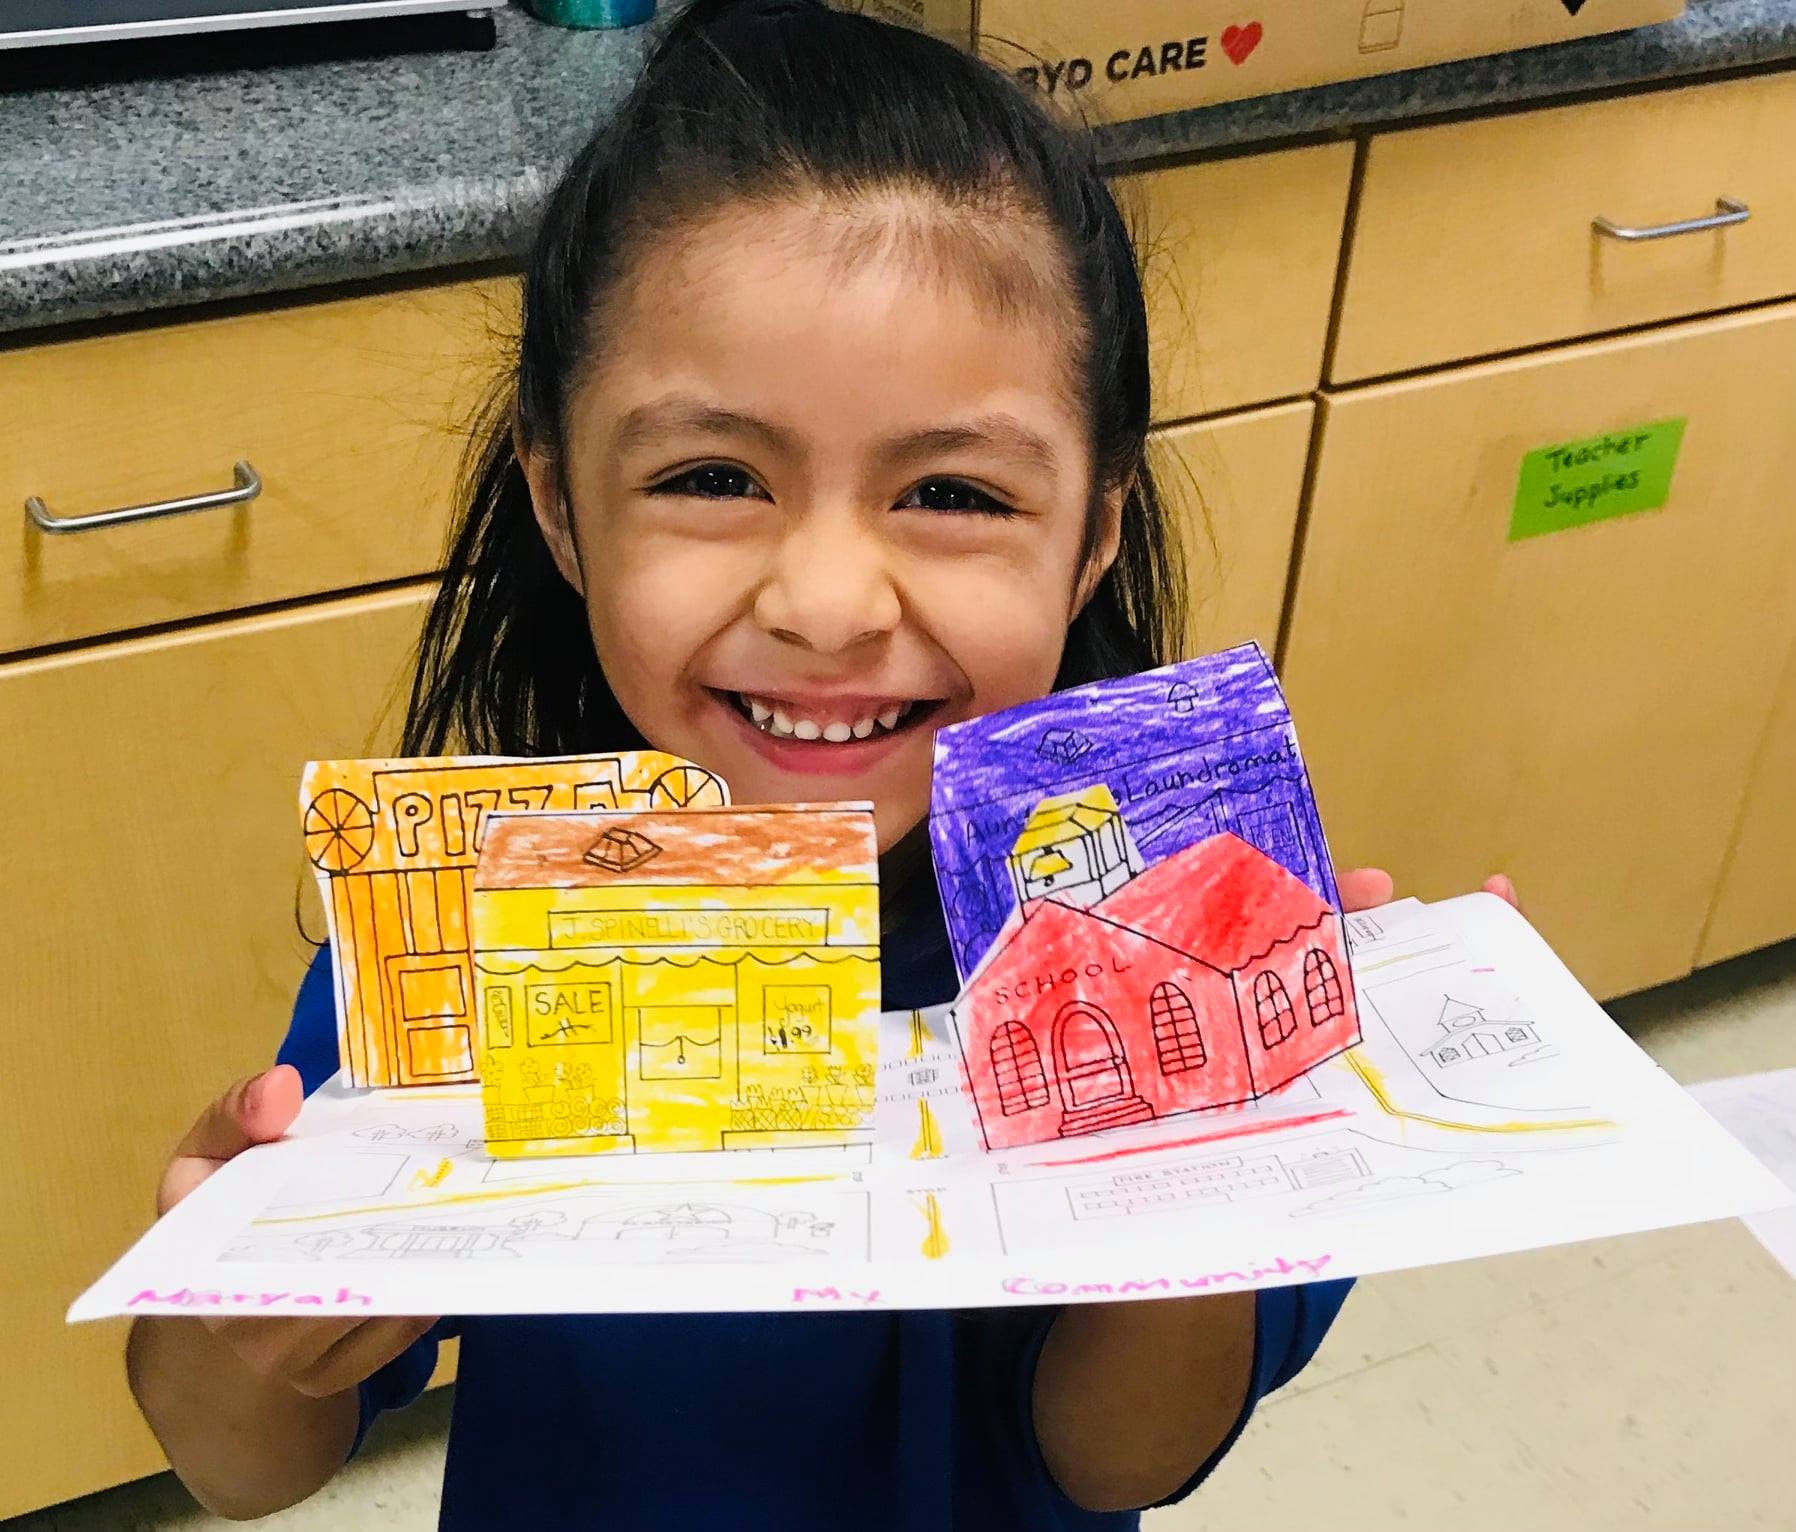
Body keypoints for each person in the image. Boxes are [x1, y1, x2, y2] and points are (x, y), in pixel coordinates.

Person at [125, 2, 1518, 1524]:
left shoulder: (1171, 925)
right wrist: (229, 1308)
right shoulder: (480, 938)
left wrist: (1211, 1148)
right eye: (714, 476)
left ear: (1094, 534)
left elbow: (1120, 1457)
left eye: (954, 494)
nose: (831, 605)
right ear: (562, 502)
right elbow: (240, 1465)